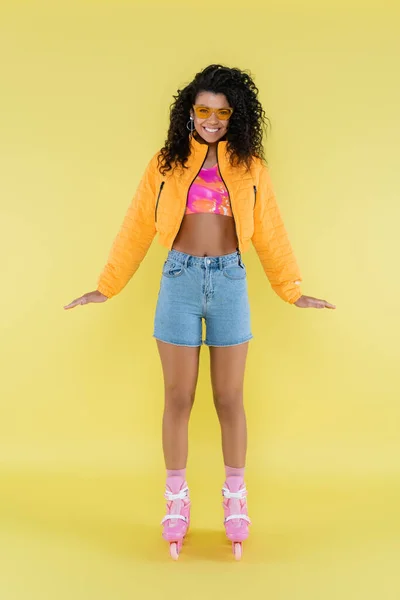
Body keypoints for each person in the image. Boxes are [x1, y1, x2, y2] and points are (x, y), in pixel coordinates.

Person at [64, 64, 336, 560]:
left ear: (236, 115)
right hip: (178, 281)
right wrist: (107, 286)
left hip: (230, 281)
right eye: (204, 109)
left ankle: (235, 498)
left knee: (230, 397)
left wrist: (292, 290)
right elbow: (136, 227)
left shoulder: (250, 166)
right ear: (190, 112)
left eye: (222, 112)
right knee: (177, 395)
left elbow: (271, 232)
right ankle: (176, 500)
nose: (212, 119)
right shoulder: (165, 164)